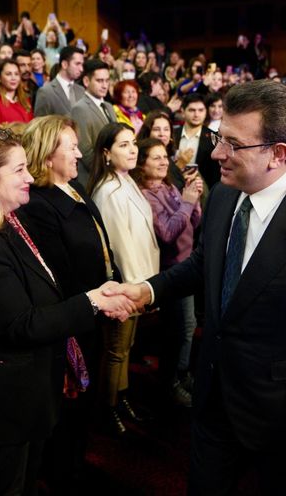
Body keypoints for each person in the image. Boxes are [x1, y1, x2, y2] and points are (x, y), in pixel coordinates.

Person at [104, 80, 286, 493]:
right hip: (213, 399)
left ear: (277, 155)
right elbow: (203, 265)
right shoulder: (225, 198)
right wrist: (147, 291)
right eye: (217, 137)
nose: (216, 154)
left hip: (282, 418)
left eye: (232, 144)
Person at [0, 127, 132, 495]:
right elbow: (21, 324)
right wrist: (92, 301)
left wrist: (96, 294)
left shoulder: (9, 224)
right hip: (0, 414)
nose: (30, 176)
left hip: (24, 403)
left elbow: (43, 296)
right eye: (19, 170)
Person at [17, 115, 120, 493]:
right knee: (68, 407)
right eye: (71, 145)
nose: (80, 151)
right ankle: (63, 474)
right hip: (73, 318)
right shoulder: (39, 204)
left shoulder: (75, 187)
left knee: (84, 404)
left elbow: (100, 245)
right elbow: (57, 273)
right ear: (46, 155)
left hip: (95, 310)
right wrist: (102, 299)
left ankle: (76, 463)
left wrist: (116, 283)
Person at [87, 123, 160, 434]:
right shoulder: (108, 191)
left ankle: (122, 397)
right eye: (123, 145)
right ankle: (108, 407)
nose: (132, 150)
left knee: (125, 348)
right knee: (115, 349)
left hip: (140, 281)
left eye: (133, 144)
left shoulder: (126, 181)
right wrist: (134, 290)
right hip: (126, 285)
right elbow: (119, 247)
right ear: (106, 153)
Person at [132, 137, 202, 406]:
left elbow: (194, 224)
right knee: (179, 330)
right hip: (171, 271)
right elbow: (168, 234)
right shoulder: (145, 196)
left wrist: (193, 201)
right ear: (142, 164)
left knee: (188, 326)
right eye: (156, 157)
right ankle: (170, 382)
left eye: (165, 157)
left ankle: (180, 375)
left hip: (187, 264)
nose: (164, 162)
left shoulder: (168, 187)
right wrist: (186, 202)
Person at [71, 59, 117, 187]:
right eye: (99, 81)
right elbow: (85, 150)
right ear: (86, 81)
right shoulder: (79, 108)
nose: (104, 85)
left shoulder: (108, 106)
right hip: (94, 179)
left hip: (112, 175)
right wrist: (108, 172)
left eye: (107, 80)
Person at [33, 46, 85, 117]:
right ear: (64, 64)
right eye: (77, 64)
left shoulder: (81, 90)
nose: (81, 69)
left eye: (82, 64)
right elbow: (40, 124)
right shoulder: (45, 92)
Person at [0, 59, 33, 126]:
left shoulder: (25, 101)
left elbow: (32, 129)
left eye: (16, 74)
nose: (13, 78)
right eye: (8, 74)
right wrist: (13, 131)